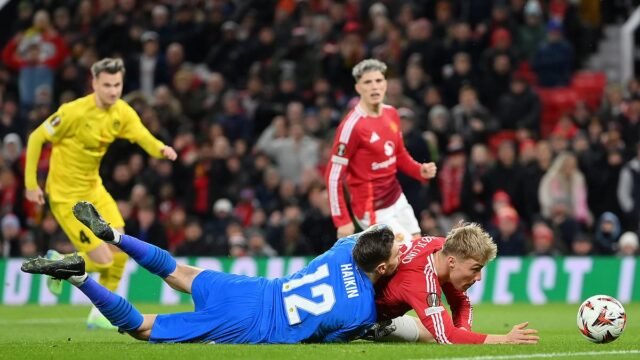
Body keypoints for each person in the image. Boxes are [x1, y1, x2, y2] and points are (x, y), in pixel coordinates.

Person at [21, 201, 401, 344]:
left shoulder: (340, 251)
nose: (404, 252)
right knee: (142, 327)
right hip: (252, 323)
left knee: (176, 271)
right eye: (399, 252)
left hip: (257, 290)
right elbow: (326, 340)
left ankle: (115, 235)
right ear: (381, 268)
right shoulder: (363, 312)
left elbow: (360, 237)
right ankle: (79, 277)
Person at [23, 58, 178, 328]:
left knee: (119, 245)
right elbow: (37, 137)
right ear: (94, 83)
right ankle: (58, 263)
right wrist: (30, 185)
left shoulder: (122, 113)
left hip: (94, 188)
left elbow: (144, 137)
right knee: (104, 259)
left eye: (117, 84)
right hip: (65, 194)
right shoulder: (73, 112)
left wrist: (161, 149)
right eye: (106, 85)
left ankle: (101, 313)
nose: (113, 91)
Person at [325, 59, 437, 242]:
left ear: (385, 84)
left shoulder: (392, 113)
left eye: (378, 81)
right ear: (358, 88)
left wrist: (419, 170)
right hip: (371, 209)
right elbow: (333, 176)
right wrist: (342, 220)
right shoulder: (352, 126)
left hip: (396, 197)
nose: (374, 87)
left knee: (417, 246)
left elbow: (398, 153)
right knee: (404, 252)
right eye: (367, 82)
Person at [371, 223, 540, 344]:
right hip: (366, 317)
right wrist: (504, 339)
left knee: (432, 333)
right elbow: (447, 337)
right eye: (475, 269)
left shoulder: (442, 248)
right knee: (438, 332)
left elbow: (462, 303)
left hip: (385, 310)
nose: (478, 277)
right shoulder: (421, 279)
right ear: (452, 262)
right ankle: (361, 329)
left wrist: (464, 332)